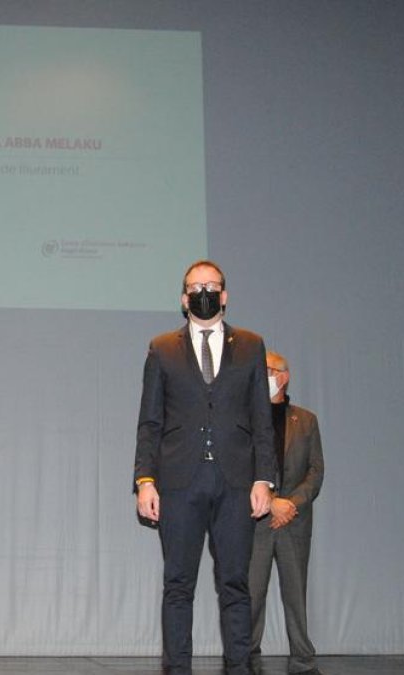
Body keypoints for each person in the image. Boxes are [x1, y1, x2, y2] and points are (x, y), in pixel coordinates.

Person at [134, 260, 277, 675]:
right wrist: (145, 480)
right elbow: (150, 421)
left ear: (225, 295)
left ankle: (239, 667)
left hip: (236, 482)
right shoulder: (161, 348)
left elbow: (262, 419)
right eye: (195, 286)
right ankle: (177, 669)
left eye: (211, 285)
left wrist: (264, 478)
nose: (203, 292)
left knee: (235, 585)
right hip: (179, 481)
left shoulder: (251, 345)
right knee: (178, 585)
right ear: (183, 298)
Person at [248, 351, 325, 675]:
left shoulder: (306, 420)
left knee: (295, 594)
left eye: (266, 370)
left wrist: (290, 503)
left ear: (283, 376)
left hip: (294, 521)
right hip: (257, 518)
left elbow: (315, 471)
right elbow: (239, 468)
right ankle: (247, 657)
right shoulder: (246, 418)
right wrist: (272, 501)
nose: (261, 375)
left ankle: (303, 660)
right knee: (252, 594)